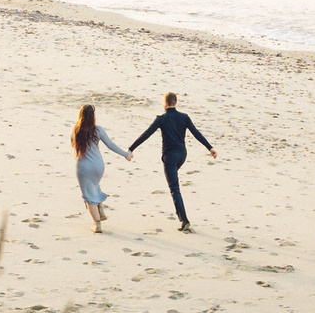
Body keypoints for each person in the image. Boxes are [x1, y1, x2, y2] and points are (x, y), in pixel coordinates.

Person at [129, 92, 217, 231]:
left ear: (165, 103)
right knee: (173, 181)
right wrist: (210, 148)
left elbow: (146, 134)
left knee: (174, 188)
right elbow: (196, 133)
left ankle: (184, 220)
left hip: (169, 156)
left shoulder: (161, 119)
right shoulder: (184, 117)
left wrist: (131, 148)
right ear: (175, 102)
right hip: (182, 155)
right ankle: (182, 215)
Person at [72, 103, 131, 233]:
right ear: (93, 116)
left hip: (83, 166)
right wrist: (125, 154)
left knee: (88, 196)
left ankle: (97, 224)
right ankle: (100, 208)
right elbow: (110, 145)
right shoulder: (98, 130)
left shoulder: (76, 130)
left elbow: (74, 145)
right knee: (94, 186)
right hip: (98, 166)